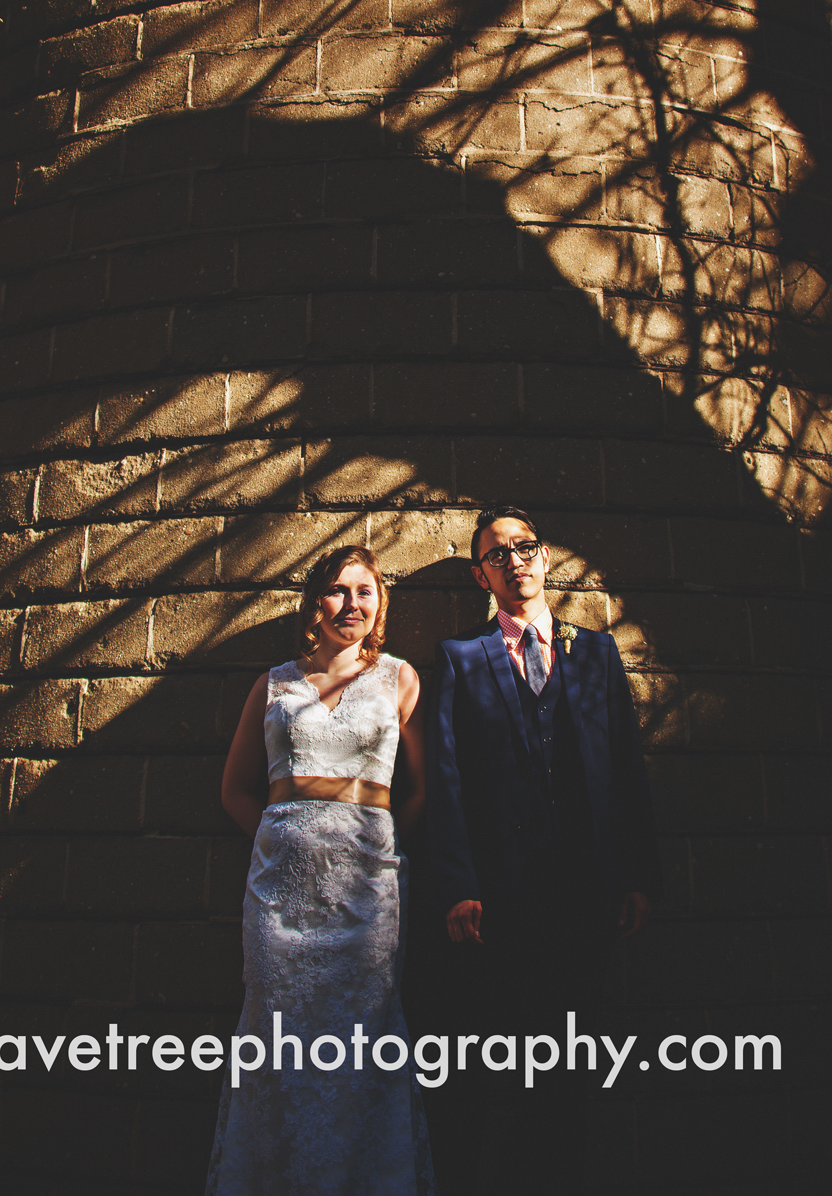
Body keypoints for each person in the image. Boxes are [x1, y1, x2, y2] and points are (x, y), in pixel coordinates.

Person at [426, 504, 661, 1193]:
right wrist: (456, 883)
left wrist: (635, 875)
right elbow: (446, 776)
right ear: (480, 575)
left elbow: (624, 767)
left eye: (523, 546)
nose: (514, 560)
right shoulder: (457, 658)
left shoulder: (595, 653)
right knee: (506, 1054)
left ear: (545, 558)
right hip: (502, 896)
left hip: (587, 890)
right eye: (497, 553)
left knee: (576, 1052)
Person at [206, 545, 437, 1196]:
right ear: (315, 602)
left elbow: (418, 790)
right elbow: (233, 790)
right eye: (338, 591)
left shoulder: (398, 679)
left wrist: (372, 846)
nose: (351, 604)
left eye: (365, 592)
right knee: (278, 1036)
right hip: (279, 897)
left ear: (379, 606)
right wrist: (283, 839)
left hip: (367, 893)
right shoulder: (274, 683)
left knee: (363, 1038)